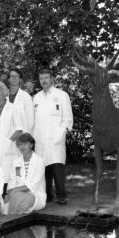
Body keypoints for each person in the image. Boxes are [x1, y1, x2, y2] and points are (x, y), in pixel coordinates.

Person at [33, 68, 73, 205]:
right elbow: (34, 120)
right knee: (44, 169)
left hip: (55, 138)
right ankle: (47, 195)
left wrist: (60, 134)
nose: (43, 80)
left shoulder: (62, 95)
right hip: (40, 139)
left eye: (46, 78)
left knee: (57, 168)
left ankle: (61, 195)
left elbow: (67, 118)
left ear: (52, 79)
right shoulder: (36, 97)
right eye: (41, 78)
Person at [4, 133, 46, 214]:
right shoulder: (16, 162)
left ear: (31, 145)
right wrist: (9, 193)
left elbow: (33, 184)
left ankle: (9, 219)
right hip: (17, 195)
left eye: (25, 144)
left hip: (35, 195)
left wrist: (14, 191)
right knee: (16, 201)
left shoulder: (39, 161)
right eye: (20, 144)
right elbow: (12, 181)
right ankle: (12, 219)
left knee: (17, 200)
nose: (22, 147)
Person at [7, 68, 34, 133]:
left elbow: (30, 120)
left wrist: (26, 136)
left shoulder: (26, 97)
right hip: (6, 135)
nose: (14, 78)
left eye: (16, 76)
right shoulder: (4, 97)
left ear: (20, 80)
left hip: (22, 136)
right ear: (8, 79)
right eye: (12, 76)